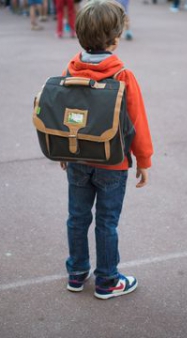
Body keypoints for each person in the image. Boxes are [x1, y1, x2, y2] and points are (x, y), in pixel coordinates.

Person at [59, 0, 153, 300]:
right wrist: (144, 159)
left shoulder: (71, 68)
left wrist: (64, 150)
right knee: (106, 222)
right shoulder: (123, 74)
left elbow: (63, 112)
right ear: (115, 38)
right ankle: (108, 280)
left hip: (76, 156)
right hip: (112, 161)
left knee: (77, 217)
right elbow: (137, 121)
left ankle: (76, 273)